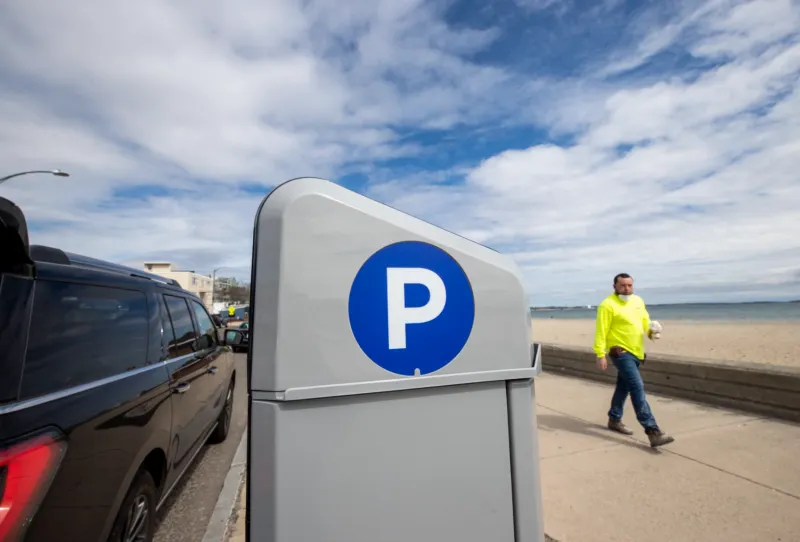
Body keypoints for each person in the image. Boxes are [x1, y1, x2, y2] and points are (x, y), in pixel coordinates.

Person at [594, 273, 674, 448]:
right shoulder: (607, 305)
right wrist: (600, 354)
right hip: (619, 352)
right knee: (637, 387)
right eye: (622, 285)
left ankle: (614, 419)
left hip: (637, 352)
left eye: (629, 285)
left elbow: (645, 323)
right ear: (614, 286)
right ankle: (653, 431)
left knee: (623, 387)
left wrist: (653, 332)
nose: (626, 289)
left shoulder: (638, 301)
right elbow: (601, 331)